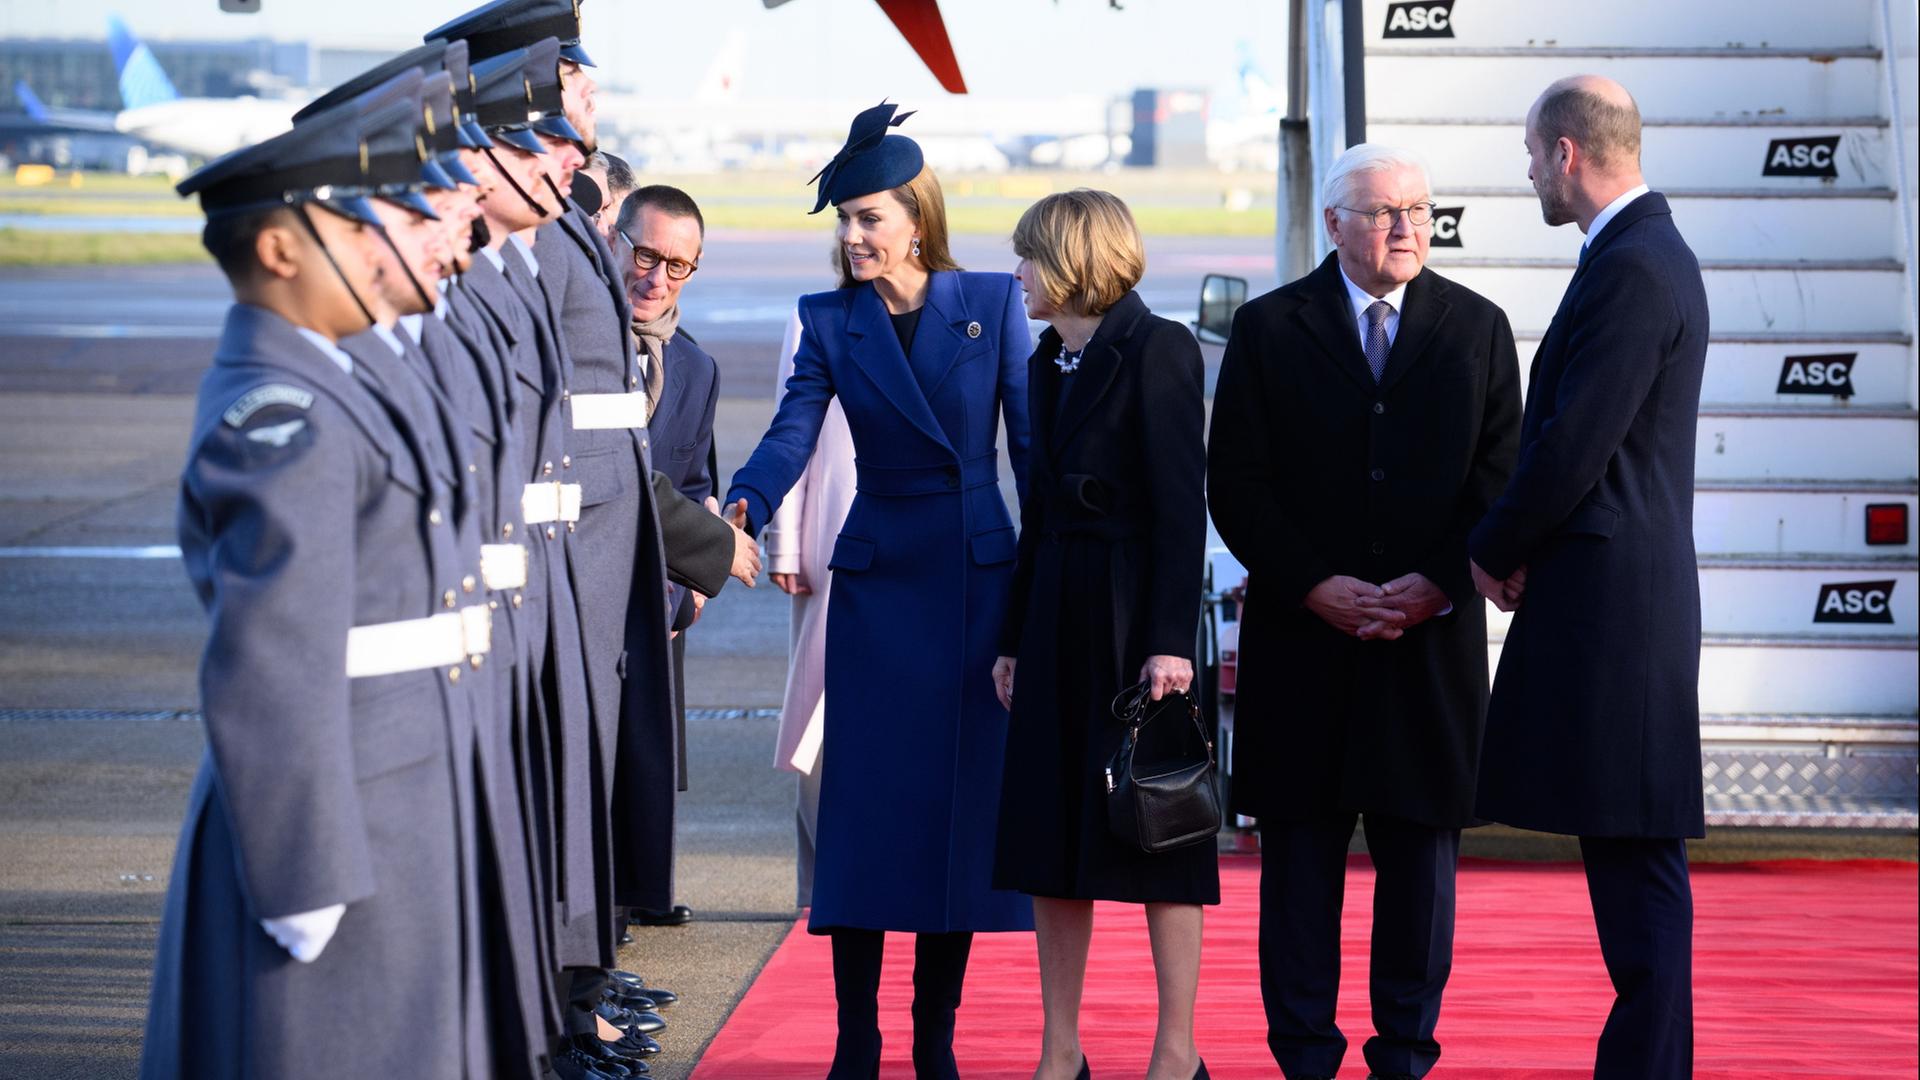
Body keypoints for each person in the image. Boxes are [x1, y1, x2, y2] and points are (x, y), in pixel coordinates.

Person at [142, 82, 530, 1080]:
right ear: (280, 251)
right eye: (358, 230)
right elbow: (270, 661)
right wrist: (302, 874)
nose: (383, 247)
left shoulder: (339, 376)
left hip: (398, 782)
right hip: (339, 818)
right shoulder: (282, 411)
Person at [725, 102, 1033, 1080]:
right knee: (860, 819)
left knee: (955, 821)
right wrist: (744, 501)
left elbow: (1031, 450)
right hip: (876, 586)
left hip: (973, 584)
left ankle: (933, 1038)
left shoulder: (992, 301)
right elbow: (792, 430)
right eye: (845, 221)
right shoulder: (829, 320)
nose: (854, 237)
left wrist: (1048, 581)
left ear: (916, 219)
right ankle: (856, 1037)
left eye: (869, 218)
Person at [1207, 141, 1523, 1080]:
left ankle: (1404, 1056)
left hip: (1427, 650)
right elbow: (1237, 483)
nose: (1406, 228)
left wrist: (1437, 581)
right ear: (1335, 223)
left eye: (1418, 210)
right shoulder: (1270, 327)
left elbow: (1501, 477)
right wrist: (1314, 583)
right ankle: (1304, 1057)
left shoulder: (1477, 327)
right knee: (1299, 878)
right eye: (1385, 212)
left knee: (1421, 876)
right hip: (1304, 645)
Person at [1467, 75, 1708, 1080]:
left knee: (1637, 860)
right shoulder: (1636, 255)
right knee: (1627, 852)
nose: (1530, 174)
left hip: (1620, 613)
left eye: (1533, 155)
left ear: (1566, 153)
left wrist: (1491, 545)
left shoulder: (1635, 267)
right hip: (1620, 602)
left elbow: (1575, 444)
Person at [990, 189, 1212, 1080]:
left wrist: (1170, 640)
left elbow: (1181, 507)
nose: (1018, 273)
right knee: (1050, 838)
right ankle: (1060, 1051)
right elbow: (1037, 513)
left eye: (1029, 256)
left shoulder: (1160, 347)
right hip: (1056, 616)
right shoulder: (1049, 359)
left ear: (1071, 260)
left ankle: (1176, 1052)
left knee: (1162, 825)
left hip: (1133, 620)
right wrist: (1013, 637)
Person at [617, 184, 721, 932]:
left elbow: (695, 484)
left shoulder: (695, 367)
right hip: (584, 594)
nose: (657, 279)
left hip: (658, 597)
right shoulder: (574, 343)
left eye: (678, 265)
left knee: (649, 761)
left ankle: (635, 896)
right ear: (614, 239)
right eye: (645, 254)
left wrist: (692, 589)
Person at [765, 302, 857, 909]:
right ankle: (817, 888)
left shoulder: (952, 313)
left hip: (921, 550)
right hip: (830, 544)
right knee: (816, 722)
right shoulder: (814, 318)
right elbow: (790, 432)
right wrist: (785, 543)